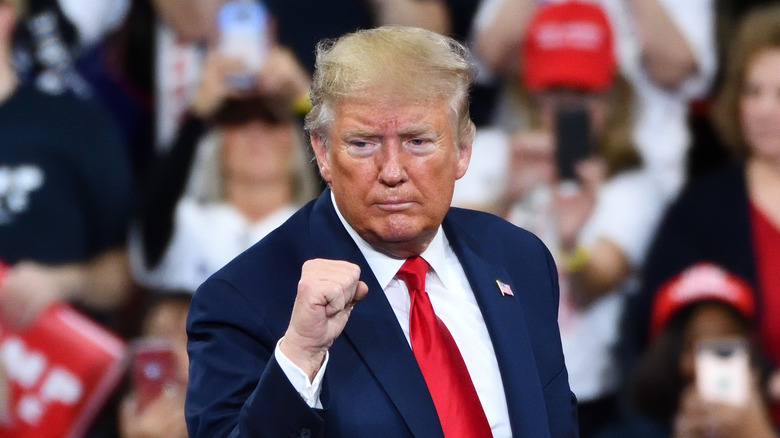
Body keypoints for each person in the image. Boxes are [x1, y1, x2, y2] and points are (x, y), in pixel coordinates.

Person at [185, 26, 577, 437]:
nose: (392, 171)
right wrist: (301, 355)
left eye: (418, 141)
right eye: (363, 143)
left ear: (462, 151)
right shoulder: (243, 299)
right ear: (322, 152)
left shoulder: (520, 258)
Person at [621, 3, 780, 427]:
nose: (764, 110)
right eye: (752, 91)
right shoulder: (702, 207)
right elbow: (654, 334)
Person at [471, 0, 717, 200]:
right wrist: (506, 200)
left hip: (643, 159)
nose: (568, 103)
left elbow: (678, 68)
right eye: (557, 90)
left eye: (580, 92)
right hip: (527, 155)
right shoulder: (486, 151)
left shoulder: (634, 190)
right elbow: (489, 56)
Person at [129, 48, 317, 293]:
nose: (256, 132)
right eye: (239, 121)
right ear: (217, 146)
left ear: (296, 144)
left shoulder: (320, 228)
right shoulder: (187, 223)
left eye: (271, 121)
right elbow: (153, 216)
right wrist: (198, 112)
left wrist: (307, 99)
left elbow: (347, 190)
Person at [0, 0, 133, 329]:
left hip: (54, 364)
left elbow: (131, 272)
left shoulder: (74, 122)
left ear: (6, 13)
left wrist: (65, 282)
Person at [623, 263, 776, 437]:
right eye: (698, 344)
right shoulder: (637, 427)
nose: (715, 360)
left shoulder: (764, 419)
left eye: (727, 343)